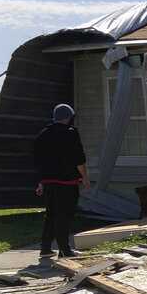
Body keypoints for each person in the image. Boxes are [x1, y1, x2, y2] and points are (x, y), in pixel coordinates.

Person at [33, 103, 89, 258]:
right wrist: (85, 178)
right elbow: (79, 158)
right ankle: (64, 250)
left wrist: (41, 182)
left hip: (49, 182)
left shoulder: (43, 134)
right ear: (69, 117)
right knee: (64, 214)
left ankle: (45, 248)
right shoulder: (71, 133)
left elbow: (39, 161)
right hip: (67, 182)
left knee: (51, 214)